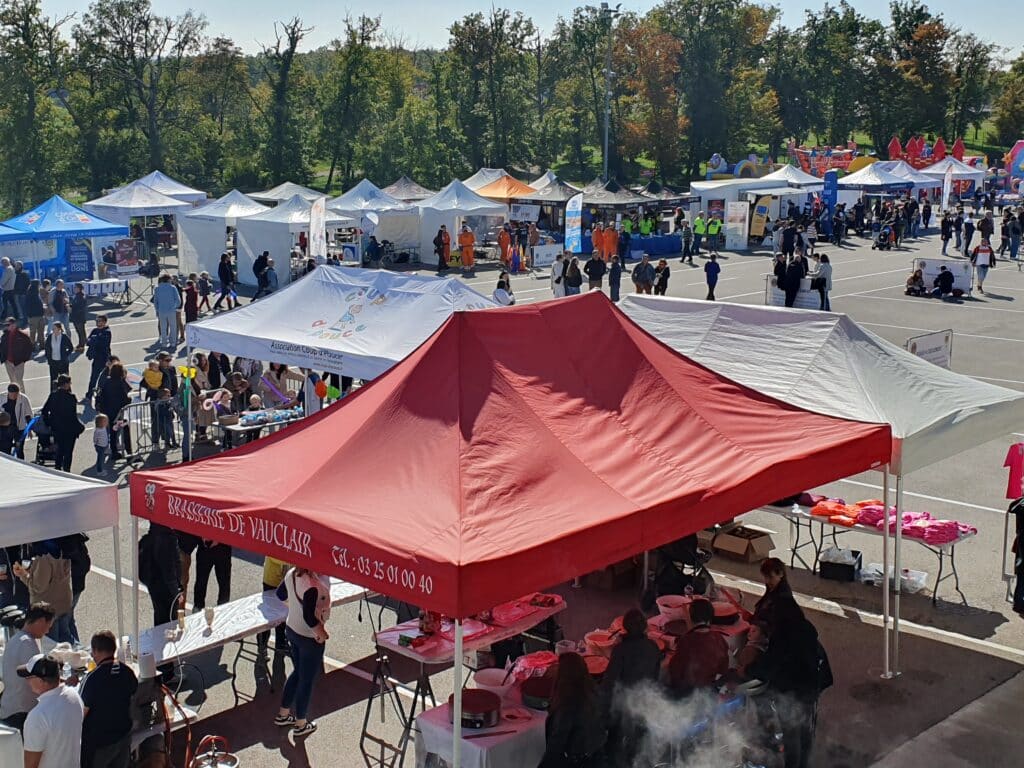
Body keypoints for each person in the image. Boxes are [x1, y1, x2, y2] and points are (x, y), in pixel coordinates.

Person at [748, 599, 827, 768]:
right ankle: (804, 764)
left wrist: (749, 671)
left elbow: (770, 664)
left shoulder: (783, 635)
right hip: (811, 687)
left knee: (792, 735)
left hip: (793, 690)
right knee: (805, 731)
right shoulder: (806, 626)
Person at [275, 566, 331, 737]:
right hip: (309, 637)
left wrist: (294, 607)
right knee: (306, 680)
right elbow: (309, 617)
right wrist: (321, 633)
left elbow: (280, 594)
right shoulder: (312, 585)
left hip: (292, 629)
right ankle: (301, 723)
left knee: (297, 672)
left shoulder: (292, 573)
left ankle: (283, 714)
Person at [80, 631, 138, 768]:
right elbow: (134, 691)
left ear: (95, 651)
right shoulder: (126, 671)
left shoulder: (92, 679)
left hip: (100, 744)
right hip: (123, 736)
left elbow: (81, 713)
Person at [539, 652, 607, 768]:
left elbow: (557, 741)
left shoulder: (568, 703)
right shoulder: (594, 690)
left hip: (577, 760)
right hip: (596, 756)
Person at [19, 652, 85, 767]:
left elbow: (30, 765)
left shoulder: (37, 716)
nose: (27, 681)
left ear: (40, 681)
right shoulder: (74, 697)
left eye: (29, 677)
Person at [0, 602, 55, 730]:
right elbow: (42, 680)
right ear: (41, 621)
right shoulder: (27, 644)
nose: (47, 631)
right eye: (48, 626)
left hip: (11, 708)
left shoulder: (16, 639)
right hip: (20, 713)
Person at [667, 598, 729, 697]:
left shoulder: (686, 641)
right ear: (710, 618)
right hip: (710, 691)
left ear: (691, 618)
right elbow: (723, 669)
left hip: (688, 693)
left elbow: (675, 671)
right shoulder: (719, 638)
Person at [15, 543, 73, 643]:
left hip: (49, 608)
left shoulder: (43, 558)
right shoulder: (61, 547)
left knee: (51, 645)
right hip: (64, 602)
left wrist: (23, 575)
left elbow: (38, 586)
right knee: (66, 639)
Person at [42, 372, 83, 470]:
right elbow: (73, 416)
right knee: (68, 452)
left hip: (57, 428)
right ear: (66, 384)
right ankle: (67, 470)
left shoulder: (53, 395)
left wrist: (49, 423)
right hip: (69, 429)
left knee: (59, 450)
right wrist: (79, 427)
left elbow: (45, 411)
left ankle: (57, 469)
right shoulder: (71, 397)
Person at [97, 363, 132, 461]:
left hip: (109, 411)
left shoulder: (107, 382)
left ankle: (114, 451)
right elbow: (124, 398)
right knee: (125, 430)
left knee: (113, 432)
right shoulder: (120, 383)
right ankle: (129, 452)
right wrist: (129, 399)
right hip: (119, 412)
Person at [752, 557, 796, 636]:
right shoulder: (773, 588)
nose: (767, 581)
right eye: (765, 577)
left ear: (781, 574)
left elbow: (774, 625)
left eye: (770, 577)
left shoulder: (783, 597)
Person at [258, 556, 292, 655]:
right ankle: (262, 646)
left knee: (283, 614)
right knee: (268, 615)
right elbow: (273, 555)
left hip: (286, 579)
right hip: (271, 580)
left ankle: (280, 643)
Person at [193, 539, 232, 610]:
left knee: (224, 583)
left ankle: (223, 610)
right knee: (200, 581)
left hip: (223, 548)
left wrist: (218, 539)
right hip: (204, 547)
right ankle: (197, 608)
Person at [84, 314, 112, 398]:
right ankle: (89, 394)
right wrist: (95, 339)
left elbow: (103, 343)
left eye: (99, 321)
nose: (97, 323)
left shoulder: (107, 331)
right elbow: (88, 341)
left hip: (104, 358)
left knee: (104, 379)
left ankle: (102, 396)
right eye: (96, 321)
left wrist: (94, 339)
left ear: (104, 322)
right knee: (93, 377)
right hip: (96, 357)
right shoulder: (95, 331)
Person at [1, 315, 32, 390]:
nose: (8, 326)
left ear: (14, 324)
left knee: (19, 381)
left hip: (19, 362)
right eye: (6, 325)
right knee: (12, 382)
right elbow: (2, 348)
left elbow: (29, 348)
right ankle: (14, 399)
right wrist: (4, 359)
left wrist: (24, 360)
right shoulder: (4, 336)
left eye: (9, 324)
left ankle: (22, 399)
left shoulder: (22, 335)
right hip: (8, 362)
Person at [152, 274, 181, 348]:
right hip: (171, 311)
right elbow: (178, 300)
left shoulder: (157, 288)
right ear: (168, 279)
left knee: (163, 327)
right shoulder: (173, 288)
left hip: (161, 310)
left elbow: (155, 302)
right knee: (173, 326)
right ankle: (173, 342)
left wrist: (157, 310)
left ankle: (164, 343)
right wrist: (174, 307)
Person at [44, 320, 73, 390]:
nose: (53, 330)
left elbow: (71, 347)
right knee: (53, 380)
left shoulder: (64, 337)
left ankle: (68, 394)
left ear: (59, 329)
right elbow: (47, 348)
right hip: (53, 362)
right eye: (52, 328)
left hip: (63, 362)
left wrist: (65, 355)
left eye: (54, 328)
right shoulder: (50, 337)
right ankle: (53, 395)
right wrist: (48, 358)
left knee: (65, 380)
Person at [26, 278, 45, 350]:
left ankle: (42, 345)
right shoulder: (30, 294)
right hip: (33, 316)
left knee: (40, 332)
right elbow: (28, 306)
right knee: (33, 332)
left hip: (39, 315)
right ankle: (33, 346)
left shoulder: (37, 293)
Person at [70, 282, 88, 352]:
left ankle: (82, 346)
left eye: (75, 287)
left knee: (81, 332)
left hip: (79, 317)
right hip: (75, 317)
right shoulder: (76, 296)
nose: (74, 289)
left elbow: (80, 308)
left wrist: (72, 308)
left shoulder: (82, 297)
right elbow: (74, 305)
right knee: (78, 332)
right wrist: (70, 305)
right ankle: (80, 344)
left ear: (79, 288)